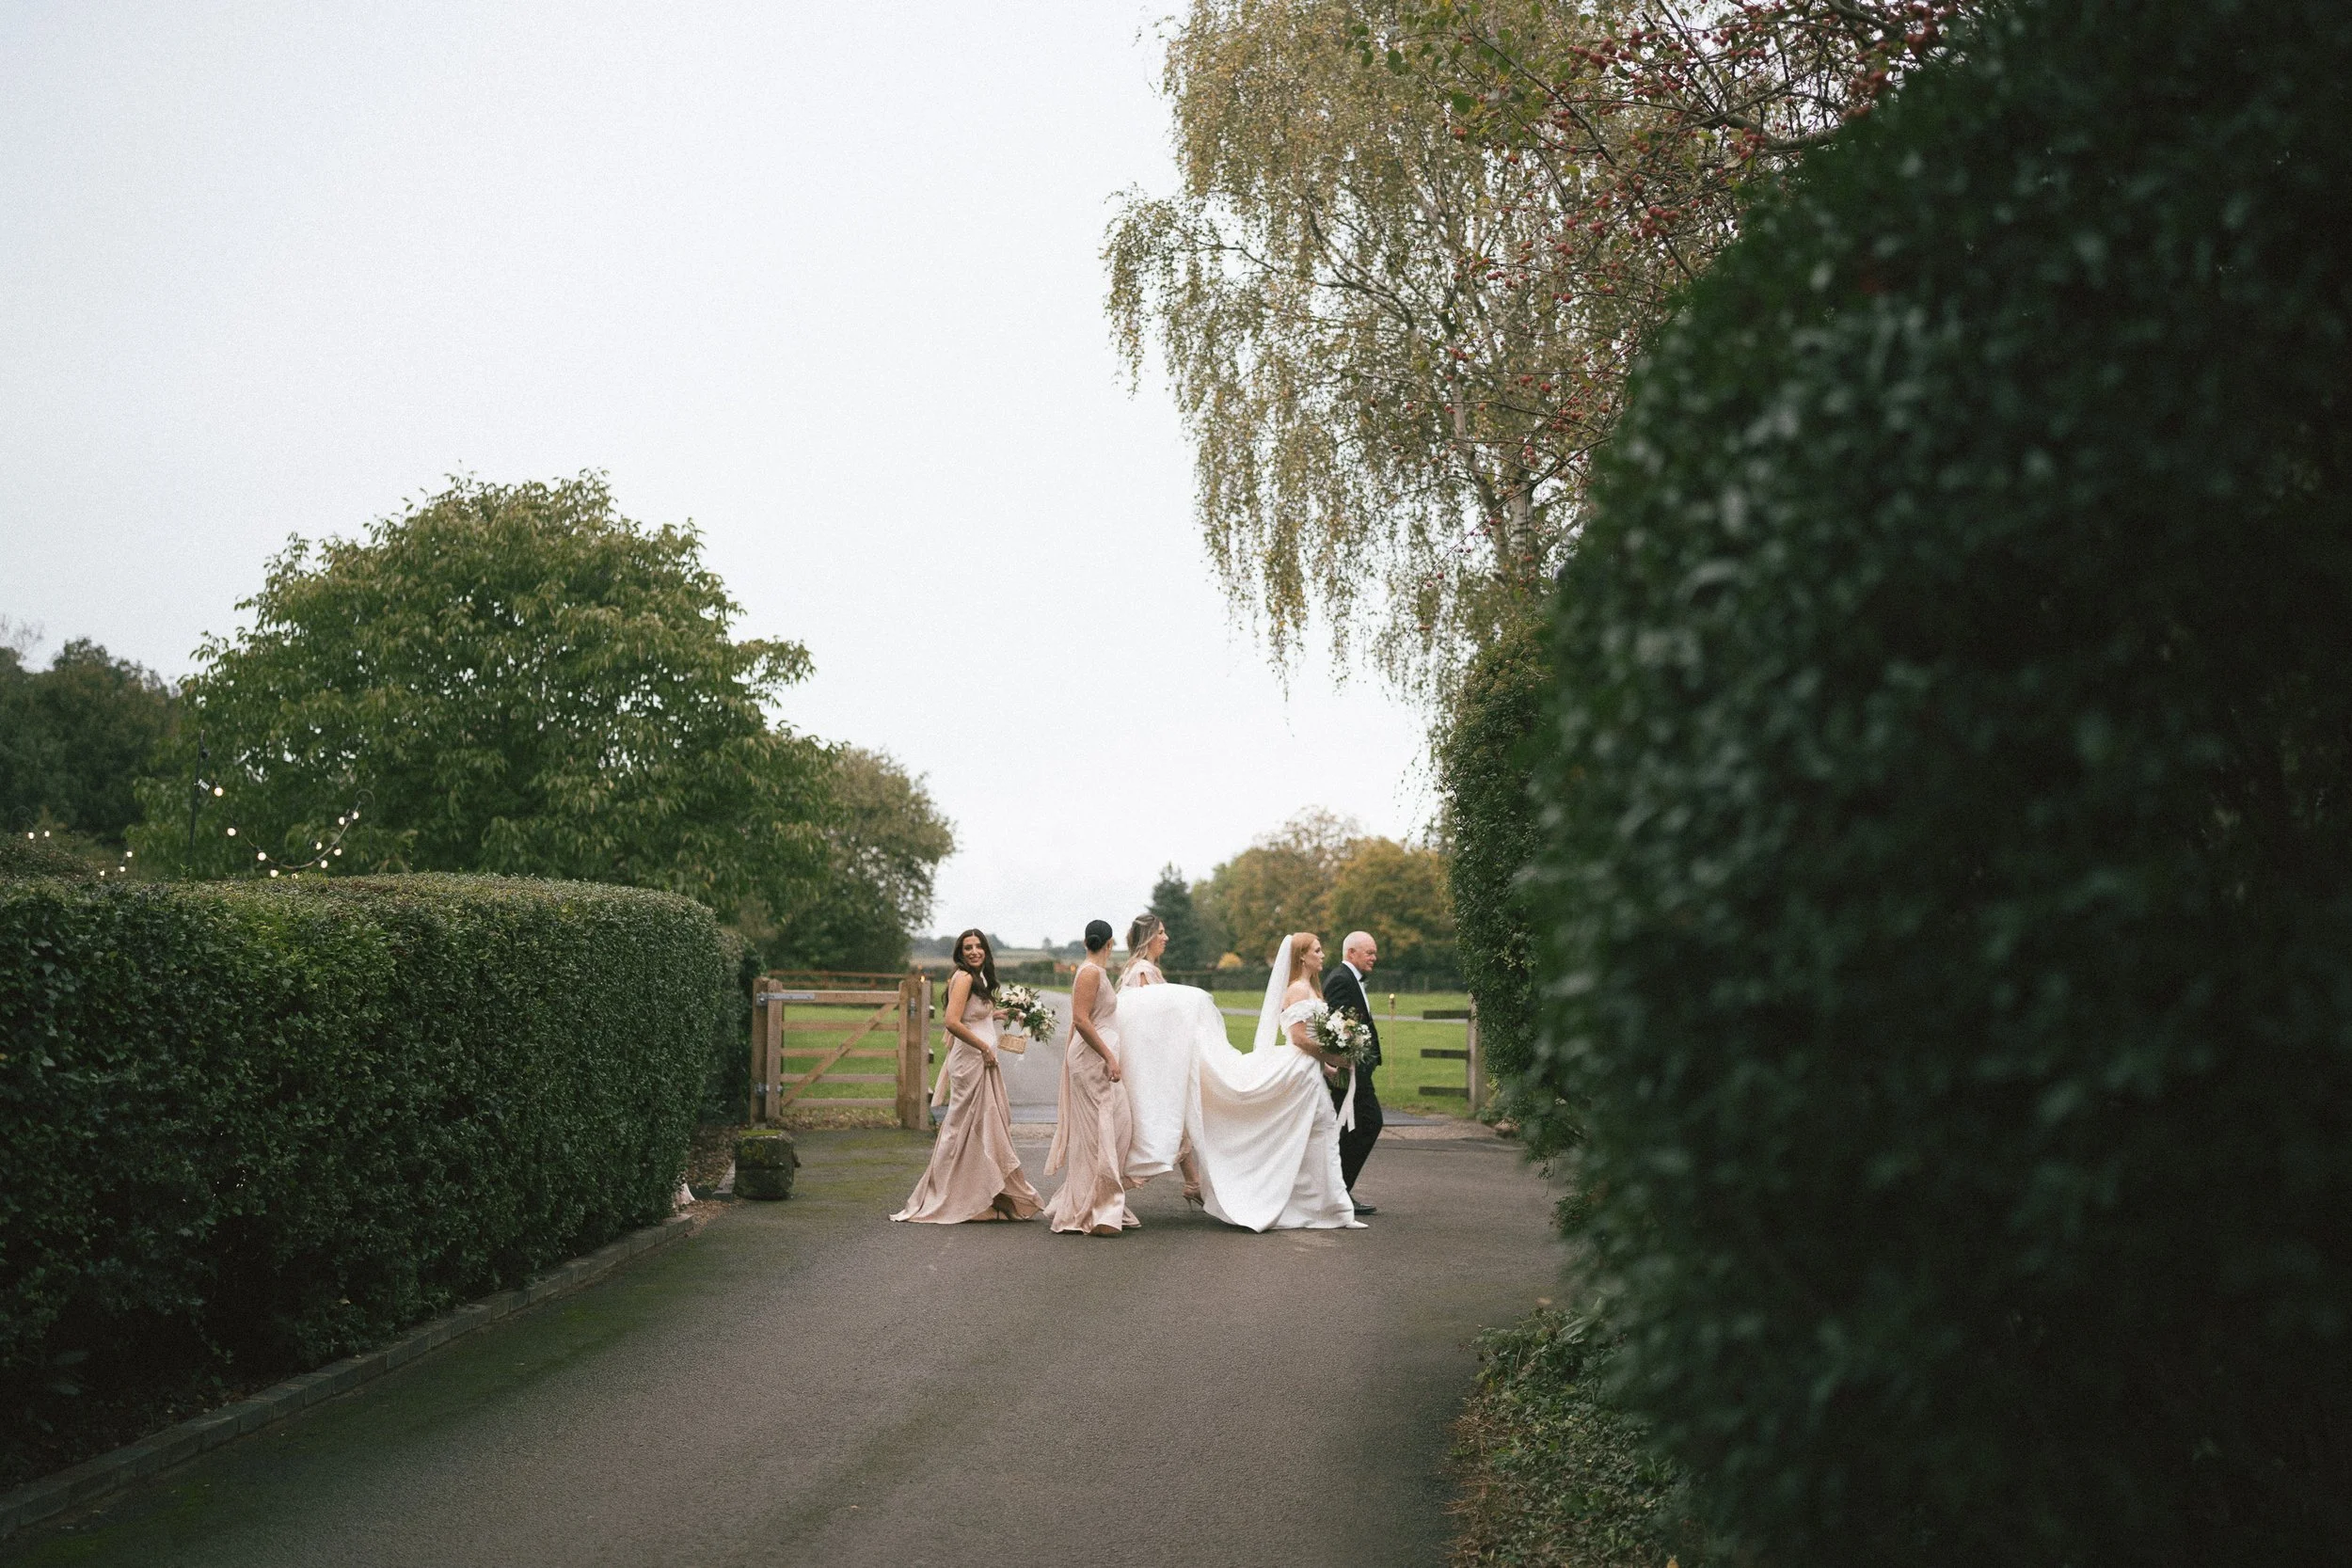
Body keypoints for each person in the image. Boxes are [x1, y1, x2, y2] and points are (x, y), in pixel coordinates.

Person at [1113, 931, 1361, 1231]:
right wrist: (1332, 1057)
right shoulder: (1297, 990)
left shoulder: (1312, 989)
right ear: (1302, 956)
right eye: (1317, 950)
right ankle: (1329, 1207)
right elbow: (1297, 1037)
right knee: (1317, 1131)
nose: (1323, 955)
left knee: (1320, 1132)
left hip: (1310, 1070)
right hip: (1300, 1071)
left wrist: (1329, 1064)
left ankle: (1331, 1207)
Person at [892, 930, 1042, 1224]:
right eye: (968, 947)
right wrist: (984, 1046)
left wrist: (1000, 1013)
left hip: (983, 1060)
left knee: (984, 1126)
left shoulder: (979, 978)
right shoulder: (962, 977)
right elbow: (952, 1021)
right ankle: (949, 1193)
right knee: (960, 1127)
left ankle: (985, 1194)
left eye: (978, 946)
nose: (974, 951)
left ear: (986, 950)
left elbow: (974, 1014)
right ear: (961, 952)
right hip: (970, 1061)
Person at [1043, 920, 1139, 1235]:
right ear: (1109, 944)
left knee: (1116, 1126)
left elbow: (1083, 1021)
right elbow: (1082, 1021)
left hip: (1092, 1060)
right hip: (1093, 1061)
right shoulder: (1089, 973)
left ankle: (1102, 1200)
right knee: (1100, 1132)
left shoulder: (1094, 972)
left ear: (1086, 942)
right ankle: (1097, 1209)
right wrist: (1109, 1057)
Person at [1118, 912, 1204, 1206]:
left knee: (1174, 1122)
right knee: (1159, 1127)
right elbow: (1149, 1020)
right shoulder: (1143, 971)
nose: (1166, 938)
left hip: (1153, 1060)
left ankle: (1193, 1182)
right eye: (1161, 933)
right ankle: (1116, 1186)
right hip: (1153, 1063)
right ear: (1148, 938)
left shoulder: (1138, 968)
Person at [1321, 930, 1386, 1212]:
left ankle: (1337, 1191)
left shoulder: (1348, 979)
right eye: (1369, 952)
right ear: (1351, 953)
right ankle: (1339, 1191)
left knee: (1348, 1128)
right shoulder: (1340, 980)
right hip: (1349, 1070)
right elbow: (1338, 1026)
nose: (1374, 957)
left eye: (1374, 952)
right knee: (1367, 1122)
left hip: (1357, 1070)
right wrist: (1351, 1061)